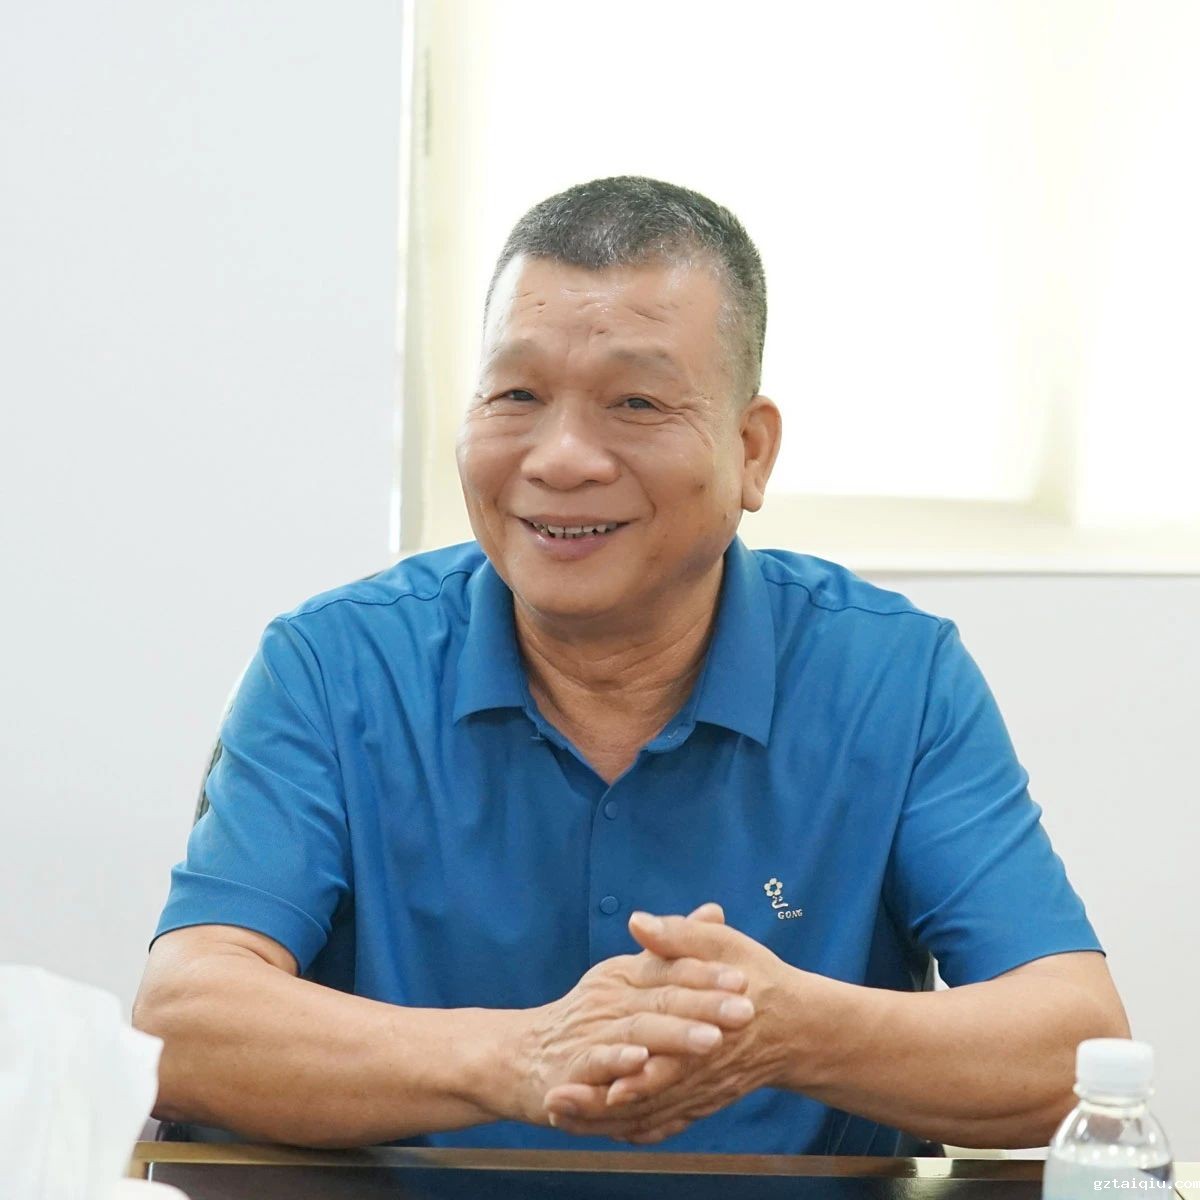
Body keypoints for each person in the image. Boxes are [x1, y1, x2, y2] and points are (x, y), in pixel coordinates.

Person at [133, 176, 1129, 1154]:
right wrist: (518, 1058)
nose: (561, 457)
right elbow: (182, 1023)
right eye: (516, 394)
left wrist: (788, 1030)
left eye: (636, 402)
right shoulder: (334, 665)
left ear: (751, 451)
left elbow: (1076, 1050)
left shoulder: (892, 676)